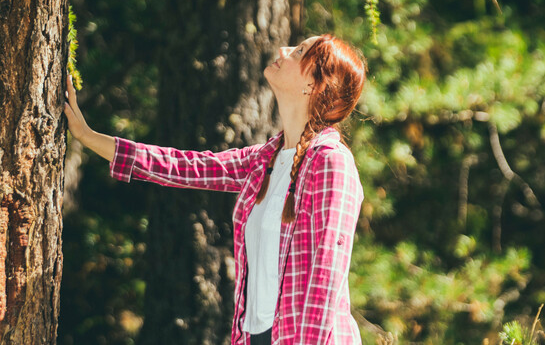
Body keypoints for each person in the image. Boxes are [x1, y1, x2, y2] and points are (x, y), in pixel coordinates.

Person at [63, 34, 366, 345]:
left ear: (315, 84)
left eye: (299, 51)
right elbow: (181, 167)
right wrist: (87, 136)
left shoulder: (331, 163)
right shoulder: (265, 160)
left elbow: (324, 281)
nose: (283, 50)